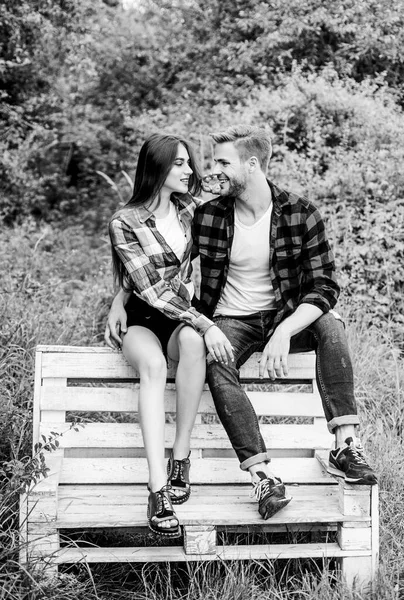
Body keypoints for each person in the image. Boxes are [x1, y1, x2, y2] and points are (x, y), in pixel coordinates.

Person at [106, 125, 377, 524]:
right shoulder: (208, 215)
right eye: (209, 163)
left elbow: (325, 286)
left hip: (282, 317)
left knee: (331, 325)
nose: (212, 171)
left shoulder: (299, 213)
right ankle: (262, 476)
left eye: (222, 162)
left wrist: (285, 330)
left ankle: (346, 444)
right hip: (228, 320)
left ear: (252, 165)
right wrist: (121, 297)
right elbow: (156, 271)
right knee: (215, 353)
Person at [107, 133, 233, 538]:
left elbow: (235, 195)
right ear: (157, 167)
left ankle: (182, 455)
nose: (189, 170)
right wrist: (205, 321)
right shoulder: (124, 221)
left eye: (188, 163)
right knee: (156, 365)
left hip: (180, 317)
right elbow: (151, 286)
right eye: (179, 163)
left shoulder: (190, 212)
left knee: (193, 343)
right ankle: (157, 486)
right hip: (141, 319)